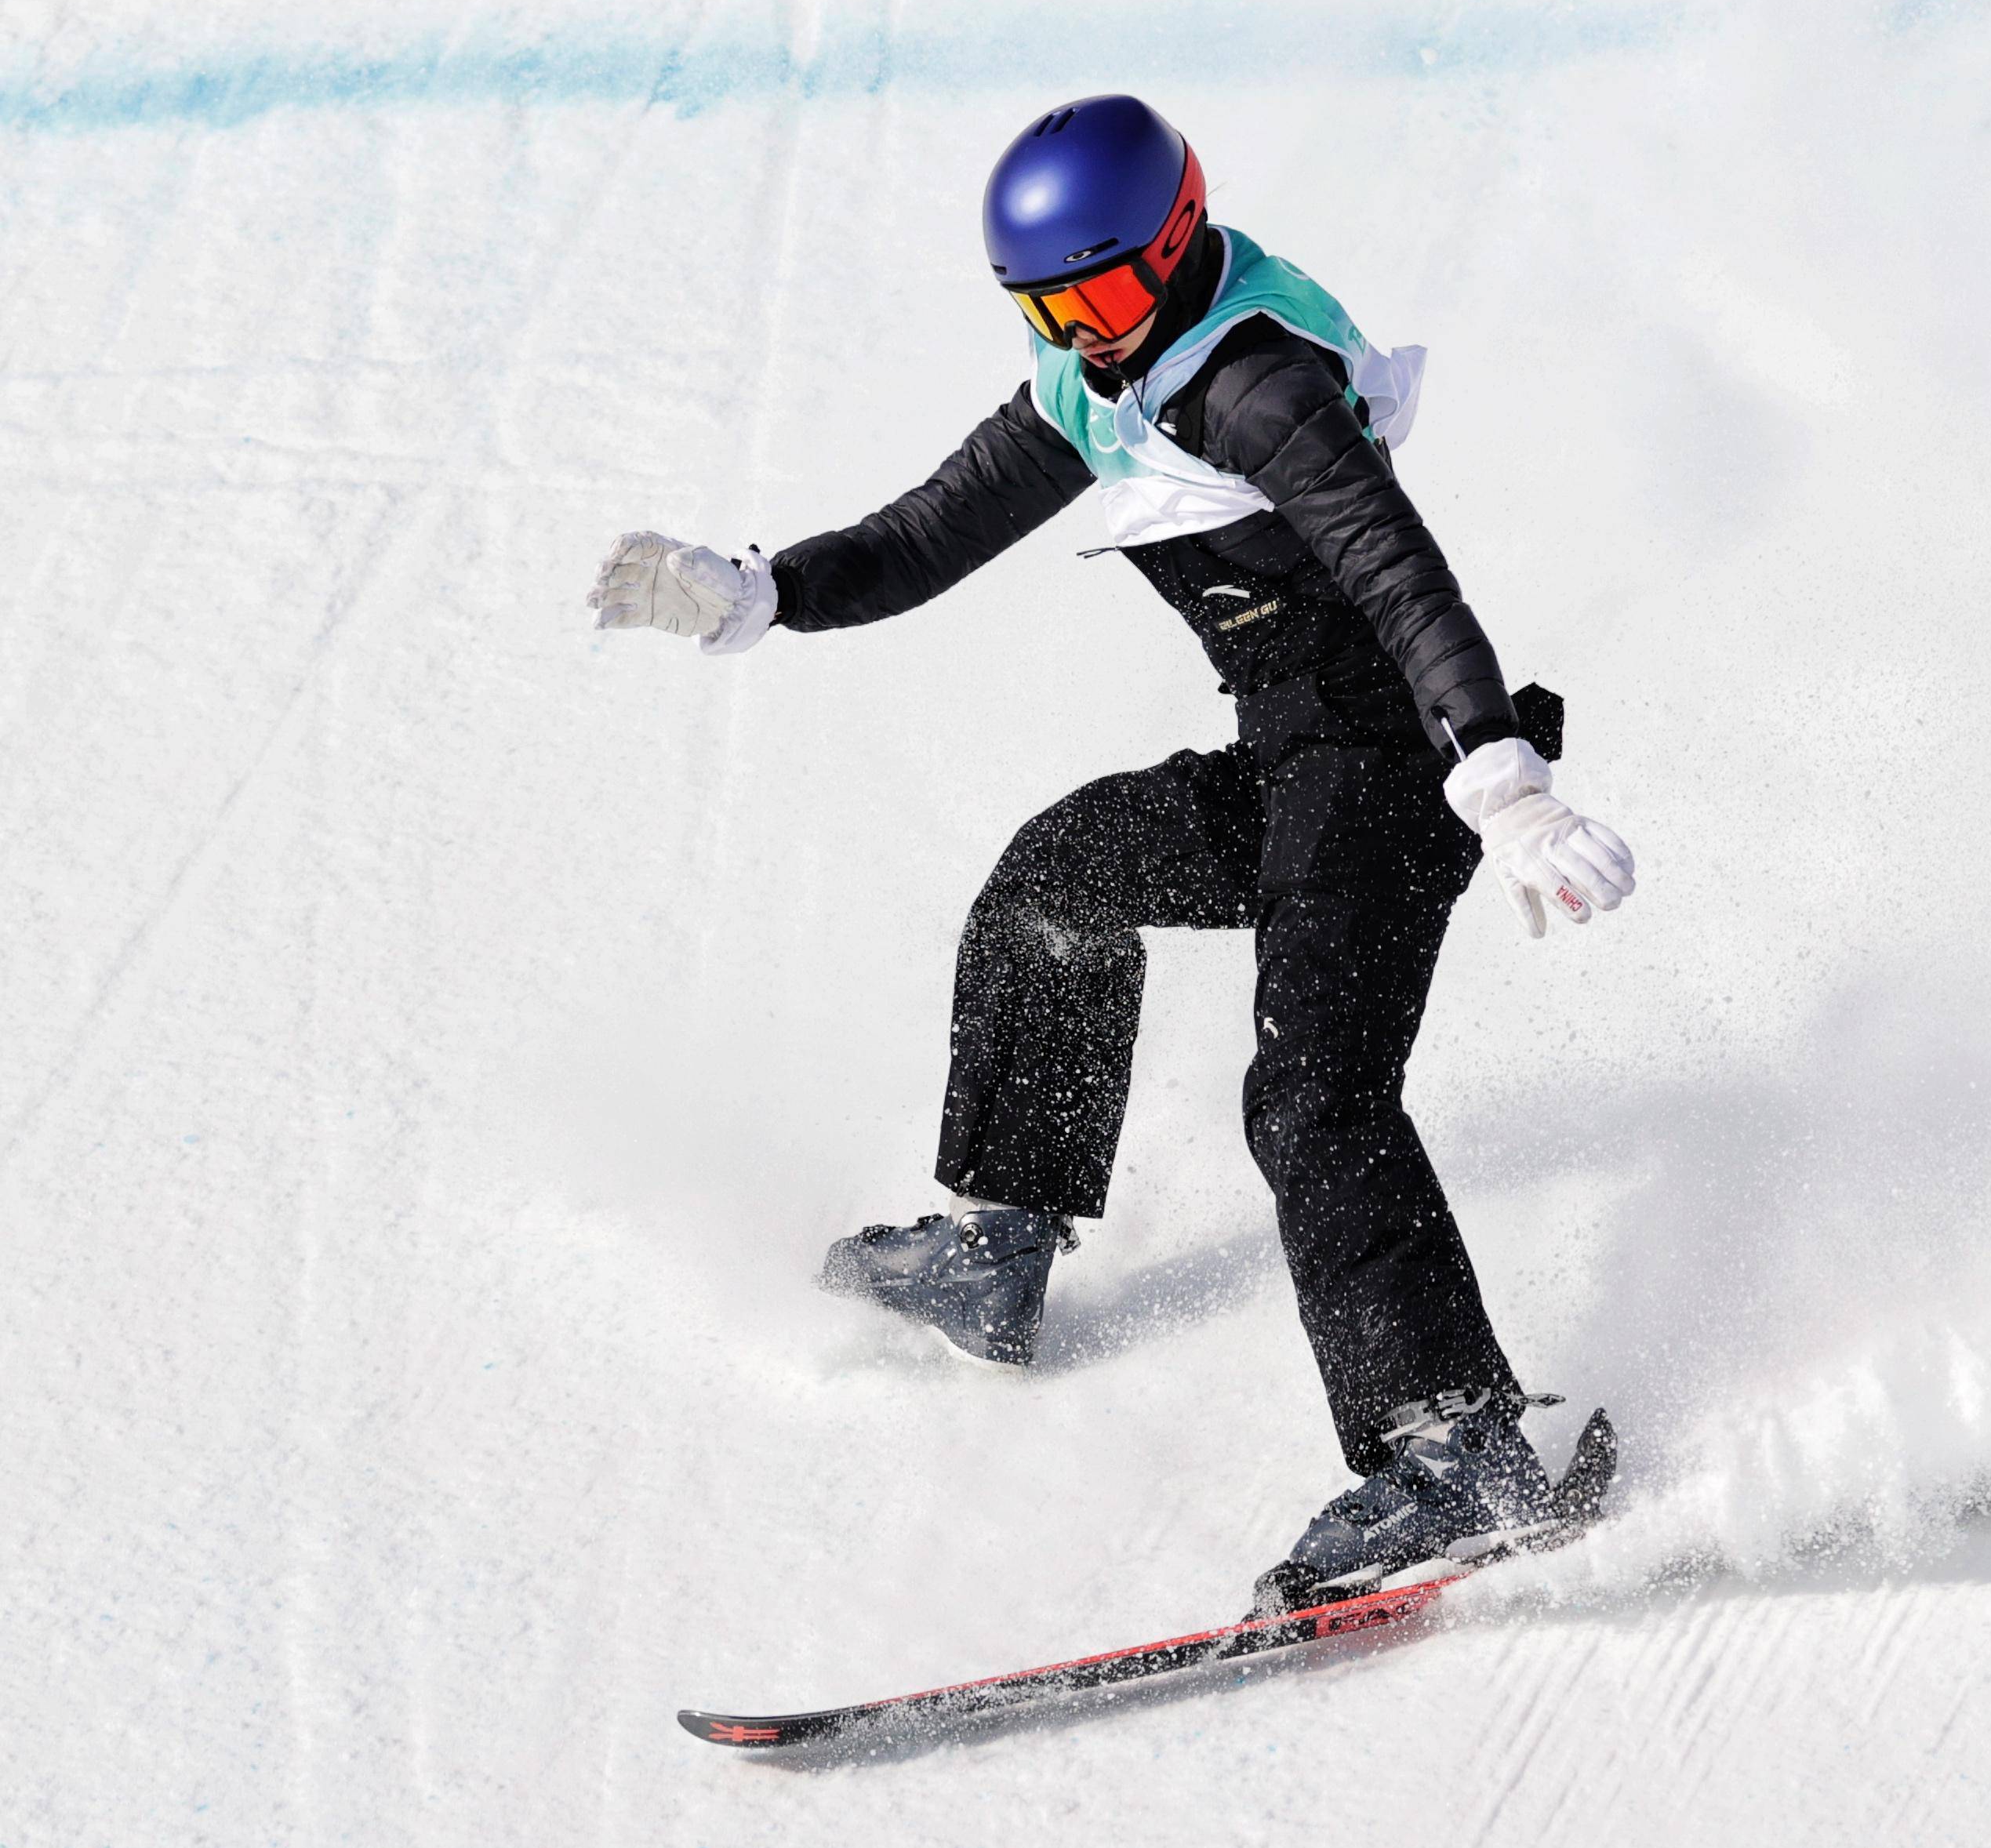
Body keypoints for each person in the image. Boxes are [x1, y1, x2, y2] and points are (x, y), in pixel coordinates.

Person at [590, 94, 1633, 1610]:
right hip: (1290, 768)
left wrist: (1502, 773)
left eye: (1107, 294)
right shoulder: (1098, 382)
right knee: (1054, 884)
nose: (1086, 333)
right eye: (1048, 306)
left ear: (1182, 239)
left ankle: (1456, 1455)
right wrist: (762, 590)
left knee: (1313, 1098)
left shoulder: (1264, 389)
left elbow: (1406, 581)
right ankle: (1000, 1242)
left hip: (1398, 779)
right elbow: (929, 532)